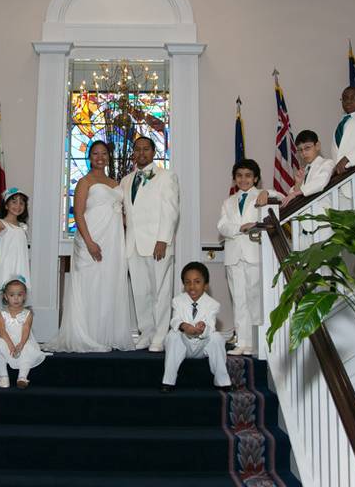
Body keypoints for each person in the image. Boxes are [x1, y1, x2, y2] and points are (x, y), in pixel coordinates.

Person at [44, 140, 134, 352]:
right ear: (89, 156)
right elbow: (79, 214)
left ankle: (105, 334)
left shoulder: (115, 183)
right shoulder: (84, 182)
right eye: (95, 153)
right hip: (91, 238)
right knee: (89, 285)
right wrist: (90, 242)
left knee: (108, 285)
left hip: (113, 241)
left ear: (108, 157)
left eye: (103, 153)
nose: (99, 157)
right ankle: (87, 335)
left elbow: (121, 215)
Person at [121, 136, 180, 353]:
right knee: (140, 292)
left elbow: (171, 210)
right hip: (133, 244)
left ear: (153, 152)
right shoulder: (126, 180)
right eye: (137, 149)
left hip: (157, 243)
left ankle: (160, 337)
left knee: (160, 292)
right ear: (133, 154)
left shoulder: (166, 177)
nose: (142, 153)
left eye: (146, 149)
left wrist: (163, 239)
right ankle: (146, 333)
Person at [217, 158, 265, 357]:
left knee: (255, 298)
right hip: (233, 256)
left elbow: (278, 196)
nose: (243, 179)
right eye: (239, 176)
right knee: (239, 299)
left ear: (255, 178)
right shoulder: (228, 202)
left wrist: (267, 192)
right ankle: (242, 341)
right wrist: (240, 227)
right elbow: (222, 226)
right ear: (234, 178)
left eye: (248, 176)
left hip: (253, 254)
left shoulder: (261, 196)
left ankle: (255, 341)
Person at [160, 262, 231, 393]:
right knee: (172, 336)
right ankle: (168, 381)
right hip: (183, 345)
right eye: (188, 282)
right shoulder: (178, 300)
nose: (192, 286)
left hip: (202, 346)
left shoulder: (213, 304)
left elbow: (211, 325)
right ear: (184, 285)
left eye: (197, 282)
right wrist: (183, 326)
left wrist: (203, 328)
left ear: (205, 285)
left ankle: (222, 380)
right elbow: (175, 319)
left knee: (217, 337)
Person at [0, 280, 49, 389]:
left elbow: (26, 330)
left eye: (19, 295)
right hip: (6, 339)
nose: (16, 298)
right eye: (12, 295)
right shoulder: (1, 313)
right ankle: (3, 376)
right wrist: (10, 345)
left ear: (24, 296)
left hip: (22, 339)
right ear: (6, 297)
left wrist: (21, 344)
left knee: (27, 350)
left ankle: (22, 377)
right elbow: (1, 330)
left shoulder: (28, 314)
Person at [278, 129, 334, 205]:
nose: (303, 153)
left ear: (317, 146)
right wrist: (298, 183)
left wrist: (296, 193)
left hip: (322, 211)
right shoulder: (304, 170)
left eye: (307, 148)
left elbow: (321, 182)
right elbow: (293, 196)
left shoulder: (327, 163)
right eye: (300, 150)